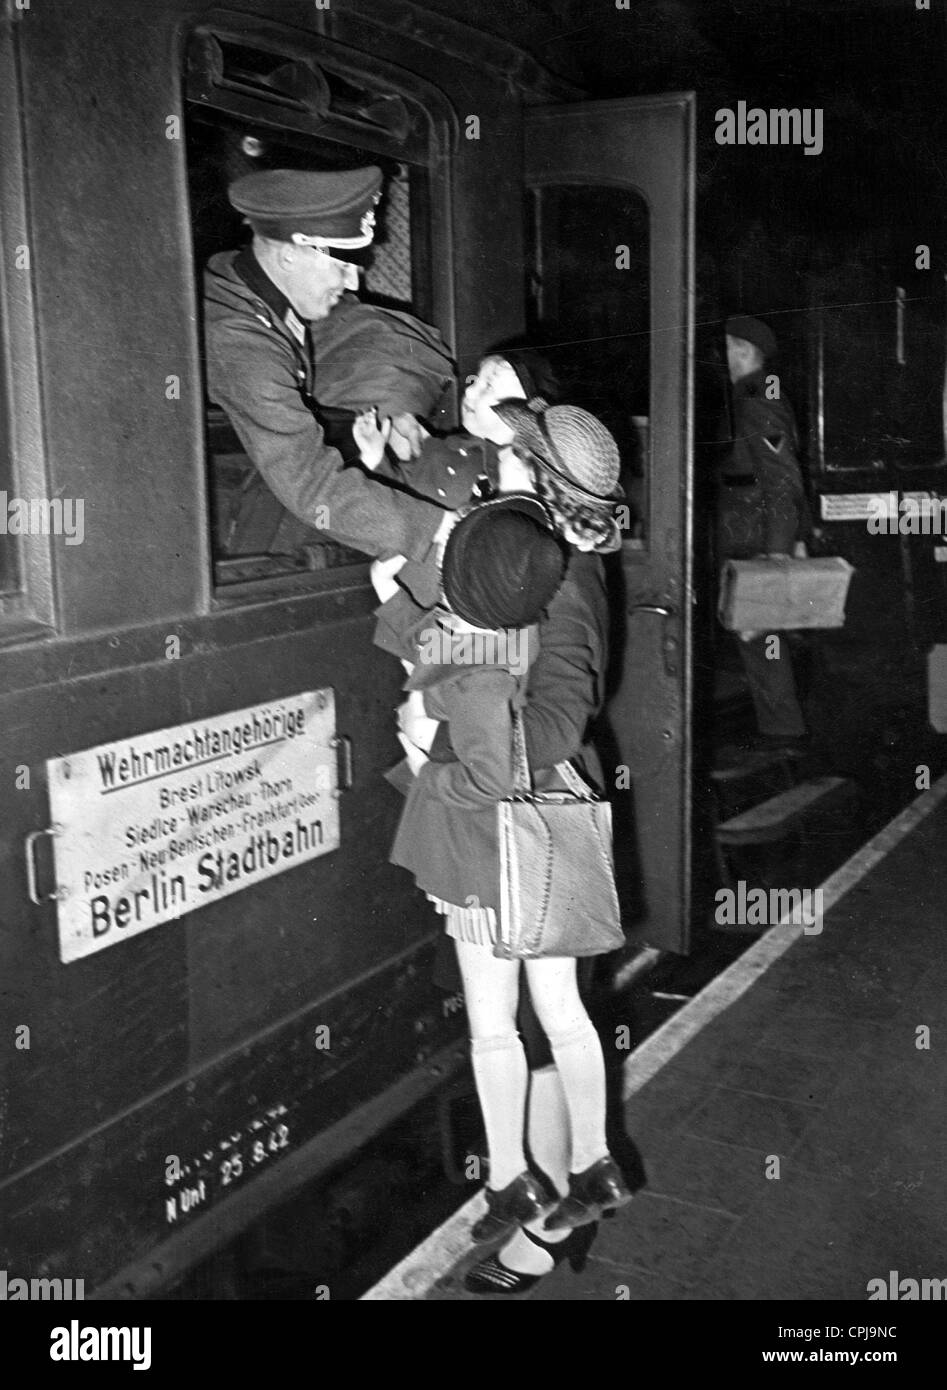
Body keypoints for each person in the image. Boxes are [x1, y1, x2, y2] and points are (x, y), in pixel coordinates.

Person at [367, 400, 633, 1293]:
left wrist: (442, 727)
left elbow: (554, 713)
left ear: (534, 468)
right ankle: (553, 1176)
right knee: (533, 1017)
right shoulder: (522, 540)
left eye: (507, 443)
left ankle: (546, 1186)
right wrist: (403, 613)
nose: (489, 448)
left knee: (526, 1017)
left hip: (520, 820)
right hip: (502, 808)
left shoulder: (560, 576)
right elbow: (471, 627)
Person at [202, 165, 479, 574]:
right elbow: (310, 482)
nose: (352, 282)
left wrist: (396, 408)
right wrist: (442, 527)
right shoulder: (241, 343)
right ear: (289, 254)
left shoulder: (246, 282)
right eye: (342, 263)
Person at [718, 314, 811, 751]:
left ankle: (782, 731)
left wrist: (778, 548)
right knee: (752, 633)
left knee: (763, 635)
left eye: (725, 345)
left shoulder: (758, 398)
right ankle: (777, 727)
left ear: (741, 349)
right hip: (740, 527)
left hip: (753, 532)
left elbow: (781, 477)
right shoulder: (746, 394)